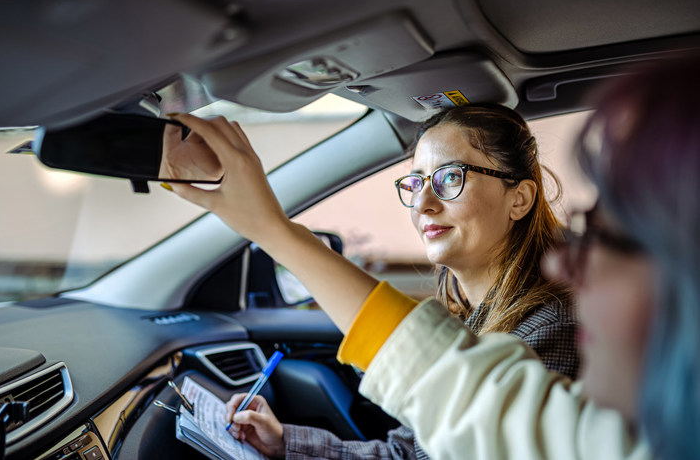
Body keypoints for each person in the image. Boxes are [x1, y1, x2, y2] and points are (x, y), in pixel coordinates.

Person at [164, 105, 580, 459]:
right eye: (416, 182)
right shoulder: (476, 318)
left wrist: (273, 230)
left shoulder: (552, 330)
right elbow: (408, 453)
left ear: (519, 198)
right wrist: (284, 443)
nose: (423, 203)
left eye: (451, 177)